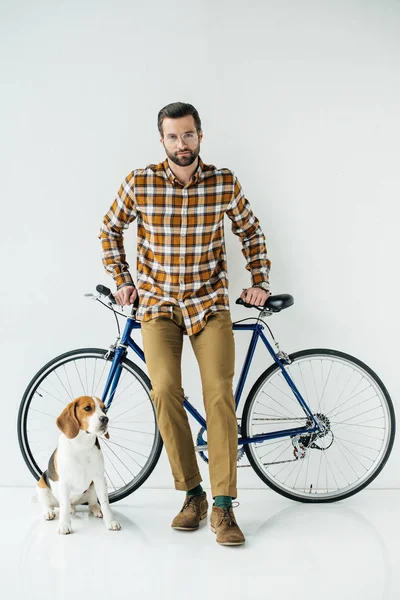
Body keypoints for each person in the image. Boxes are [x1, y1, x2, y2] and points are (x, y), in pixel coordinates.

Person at [99, 102, 271, 546]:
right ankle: (192, 493)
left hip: (208, 303)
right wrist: (122, 281)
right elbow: (110, 229)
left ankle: (224, 507)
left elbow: (249, 231)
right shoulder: (140, 182)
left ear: (200, 136)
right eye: (173, 137)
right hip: (158, 305)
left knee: (218, 393)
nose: (182, 144)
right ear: (162, 140)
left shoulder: (222, 181)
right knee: (164, 390)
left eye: (189, 135)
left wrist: (259, 281)